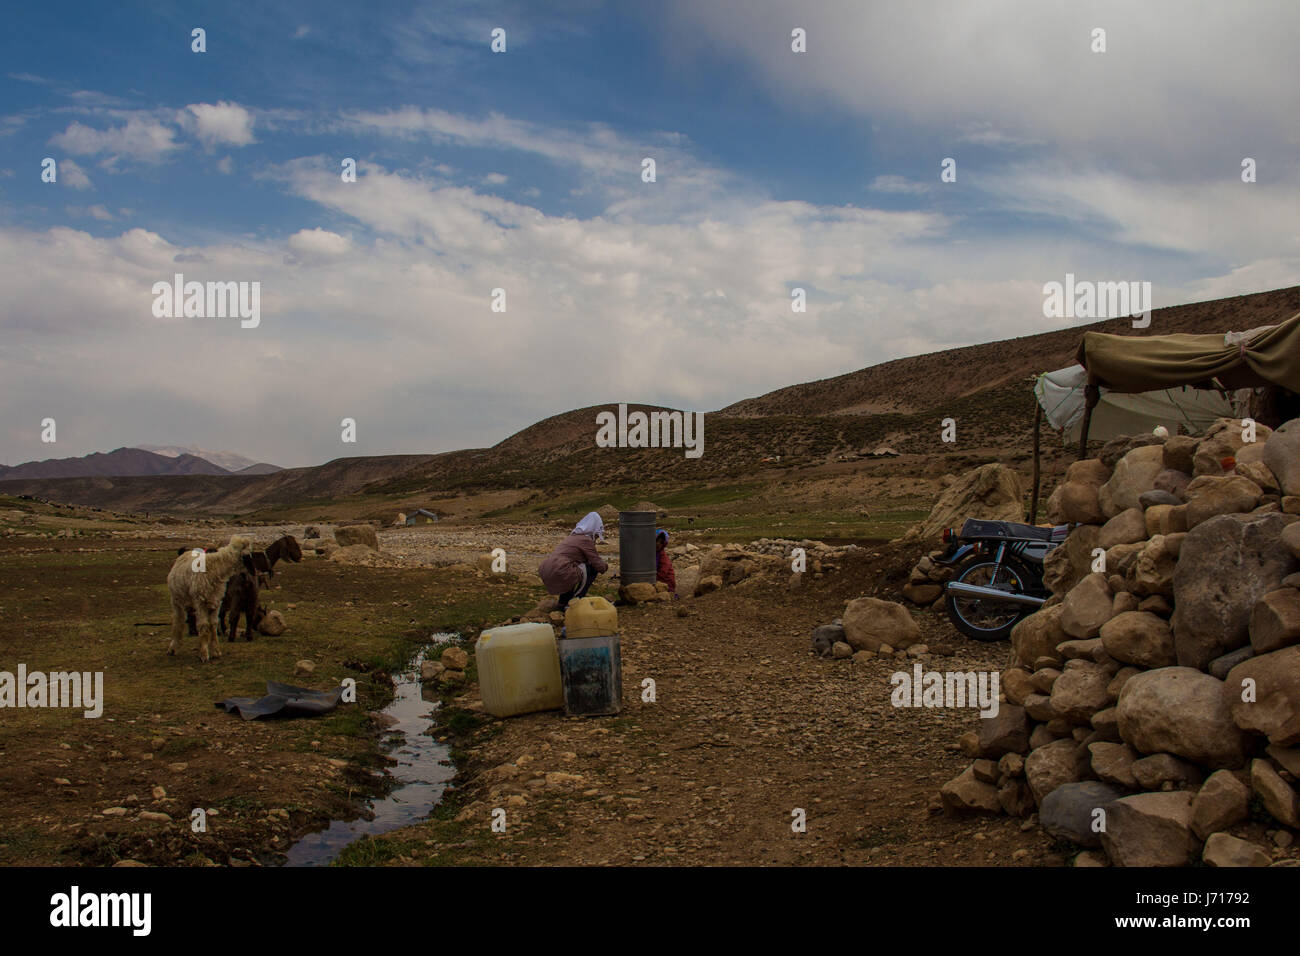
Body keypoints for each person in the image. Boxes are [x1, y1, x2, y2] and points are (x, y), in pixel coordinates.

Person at [539, 511, 609, 610]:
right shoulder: (585, 540)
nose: (597, 537)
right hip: (560, 569)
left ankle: (562, 603)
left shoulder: (573, 537)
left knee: (572, 572)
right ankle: (576, 600)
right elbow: (597, 563)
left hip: (547, 568)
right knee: (590, 569)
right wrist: (605, 566)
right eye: (597, 534)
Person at [655, 529, 677, 597]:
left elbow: (663, 572)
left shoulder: (663, 557)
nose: (658, 544)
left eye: (661, 542)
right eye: (656, 541)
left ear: (664, 544)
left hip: (667, 584)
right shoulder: (654, 553)